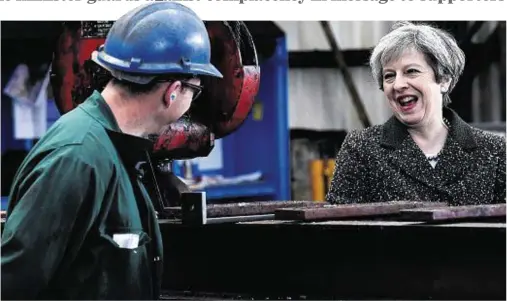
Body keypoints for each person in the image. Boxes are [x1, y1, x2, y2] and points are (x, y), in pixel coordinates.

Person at [1, 2, 223, 300]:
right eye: (194, 91)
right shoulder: (78, 157)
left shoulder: (117, 150)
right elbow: (12, 283)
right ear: (173, 91)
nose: (191, 103)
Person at [326, 21, 506, 206]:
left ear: (444, 80)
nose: (397, 85)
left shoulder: (495, 151)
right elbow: (337, 229)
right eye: (389, 76)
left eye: (411, 71)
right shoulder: (361, 148)